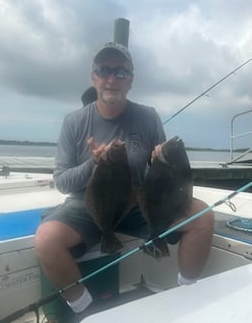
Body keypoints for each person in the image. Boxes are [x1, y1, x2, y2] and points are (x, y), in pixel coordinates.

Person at [35, 42, 214, 314]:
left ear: (130, 80)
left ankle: (188, 295)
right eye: (104, 70)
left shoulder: (148, 116)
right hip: (88, 205)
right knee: (47, 239)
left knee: (202, 217)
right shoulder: (74, 122)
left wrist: (160, 158)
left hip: (136, 203)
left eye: (120, 72)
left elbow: (163, 176)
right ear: (93, 77)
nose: (111, 78)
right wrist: (93, 164)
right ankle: (86, 310)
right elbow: (61, 182)